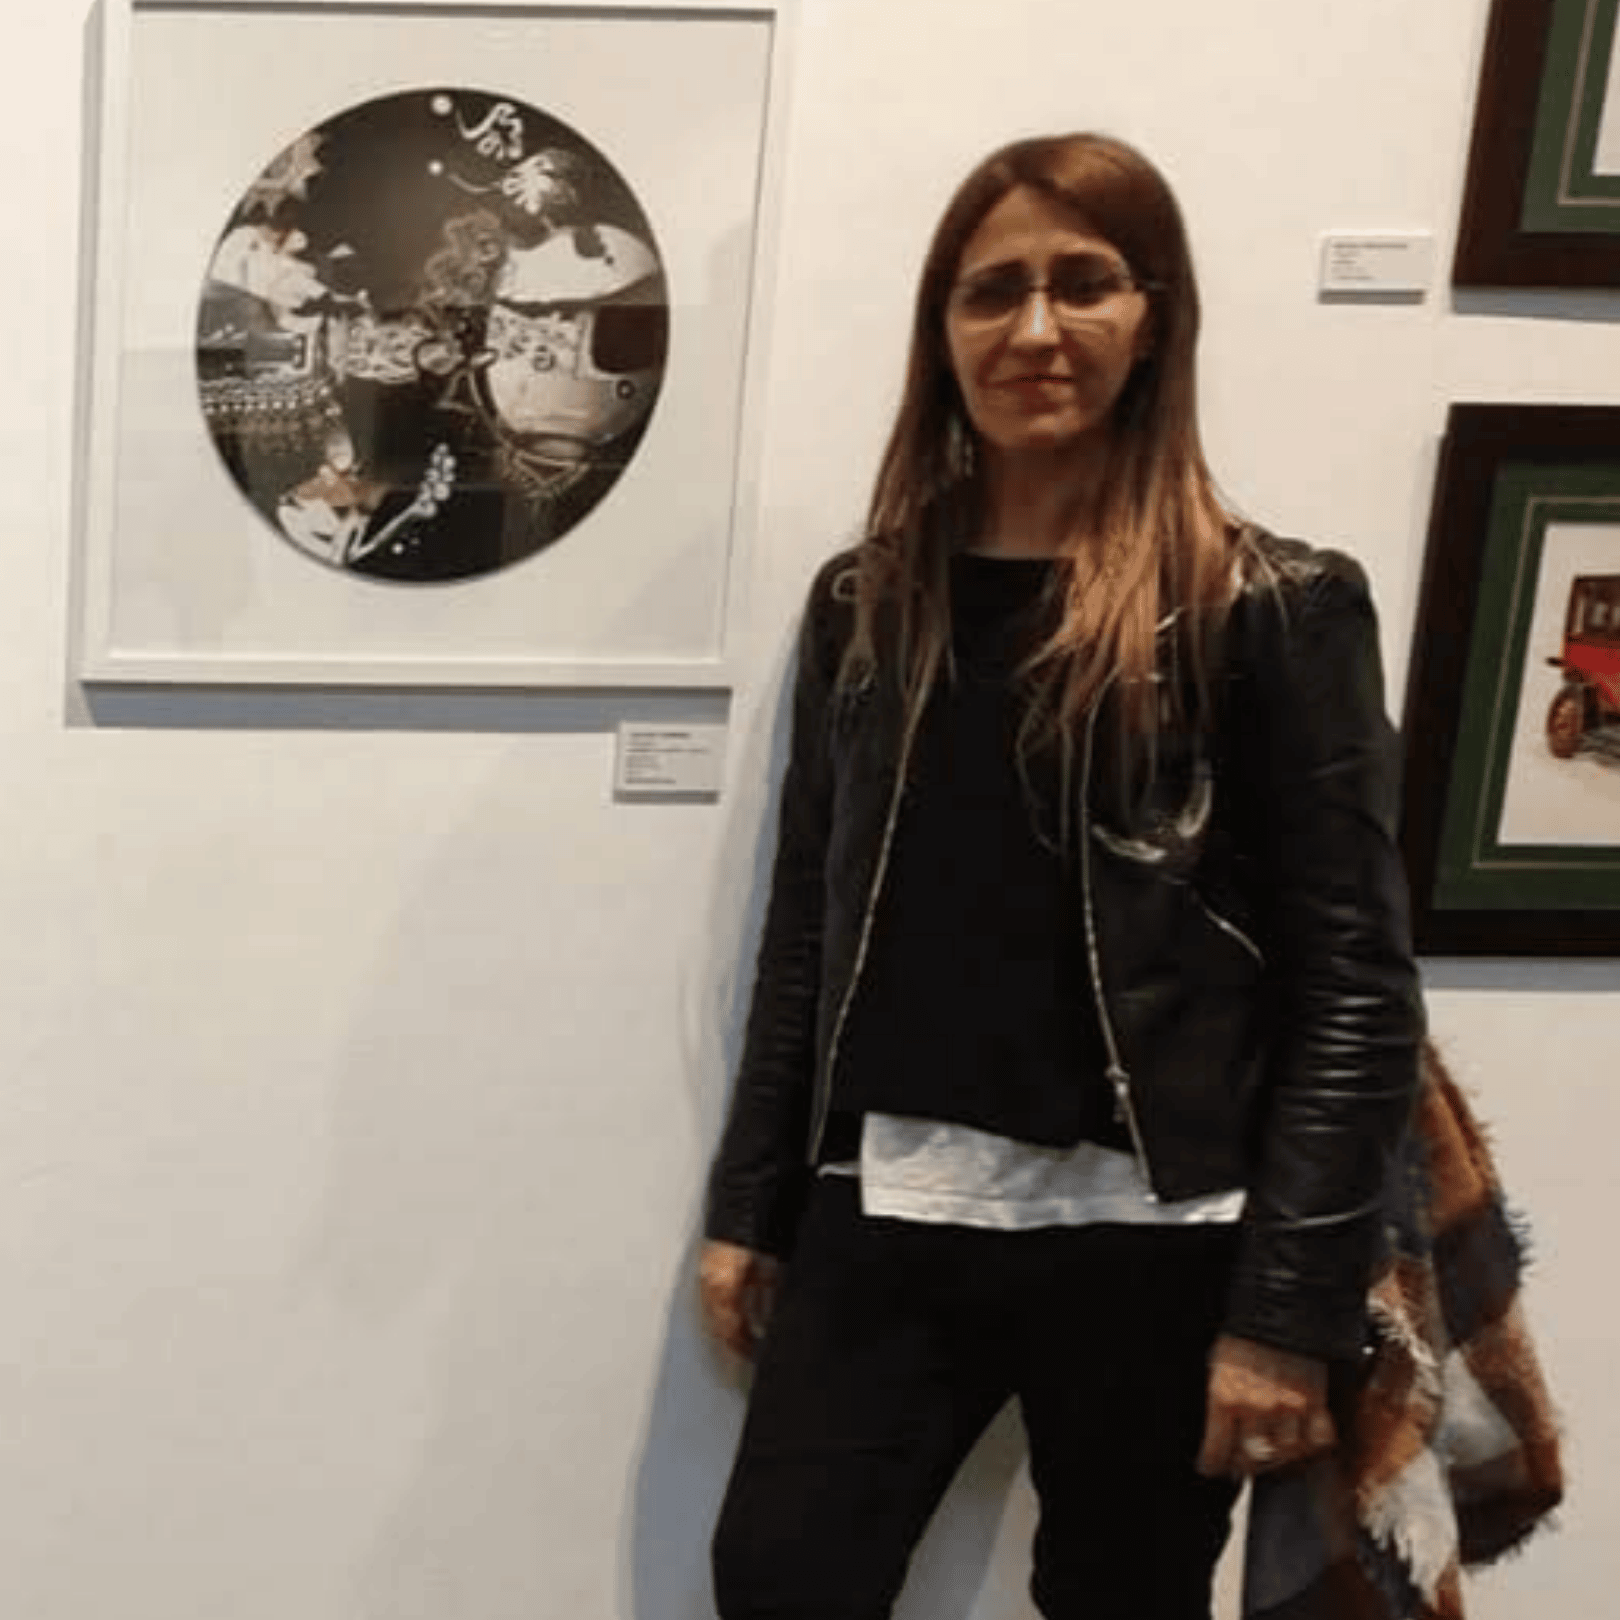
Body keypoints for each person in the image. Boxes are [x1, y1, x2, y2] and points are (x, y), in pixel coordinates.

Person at [700, 131, 1424, 1620]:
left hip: (1163, 1238)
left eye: (1083, 283)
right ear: (942, 329)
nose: (1036, 329)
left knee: (1118, 1600)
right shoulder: (870, 603)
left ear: (1154, 316)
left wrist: (1285, 1311)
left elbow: (1355, 987)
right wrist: (751, 1203)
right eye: (993, 292)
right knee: (779, 1580)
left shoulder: (1269, 607)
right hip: (897, 1201)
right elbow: (809, 929)